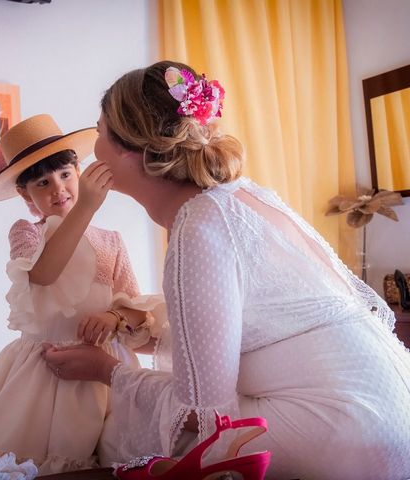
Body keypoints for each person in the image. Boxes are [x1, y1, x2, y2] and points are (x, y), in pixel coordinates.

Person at [42, 61, 410, 479]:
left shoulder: (200, 224)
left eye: (100, 131)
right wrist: (140, 331)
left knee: (131, 443)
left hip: (344, 436)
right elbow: (249, 330)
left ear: (130, 150)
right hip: (391, 417)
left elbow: (203, 416)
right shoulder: (245, 198)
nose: (95, 145)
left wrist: (106, 371)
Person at [0, 114, 165, 476]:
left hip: (104, 376)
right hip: (45, 375)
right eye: (42, 182)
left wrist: (114, 318)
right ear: (25, 195)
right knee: (41, 461)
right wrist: (87, 206)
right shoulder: (27, 234)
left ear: (78, 170)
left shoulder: (111, 242)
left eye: (64, 175)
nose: (57, 189)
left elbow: (137, 309)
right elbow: (43, 274)